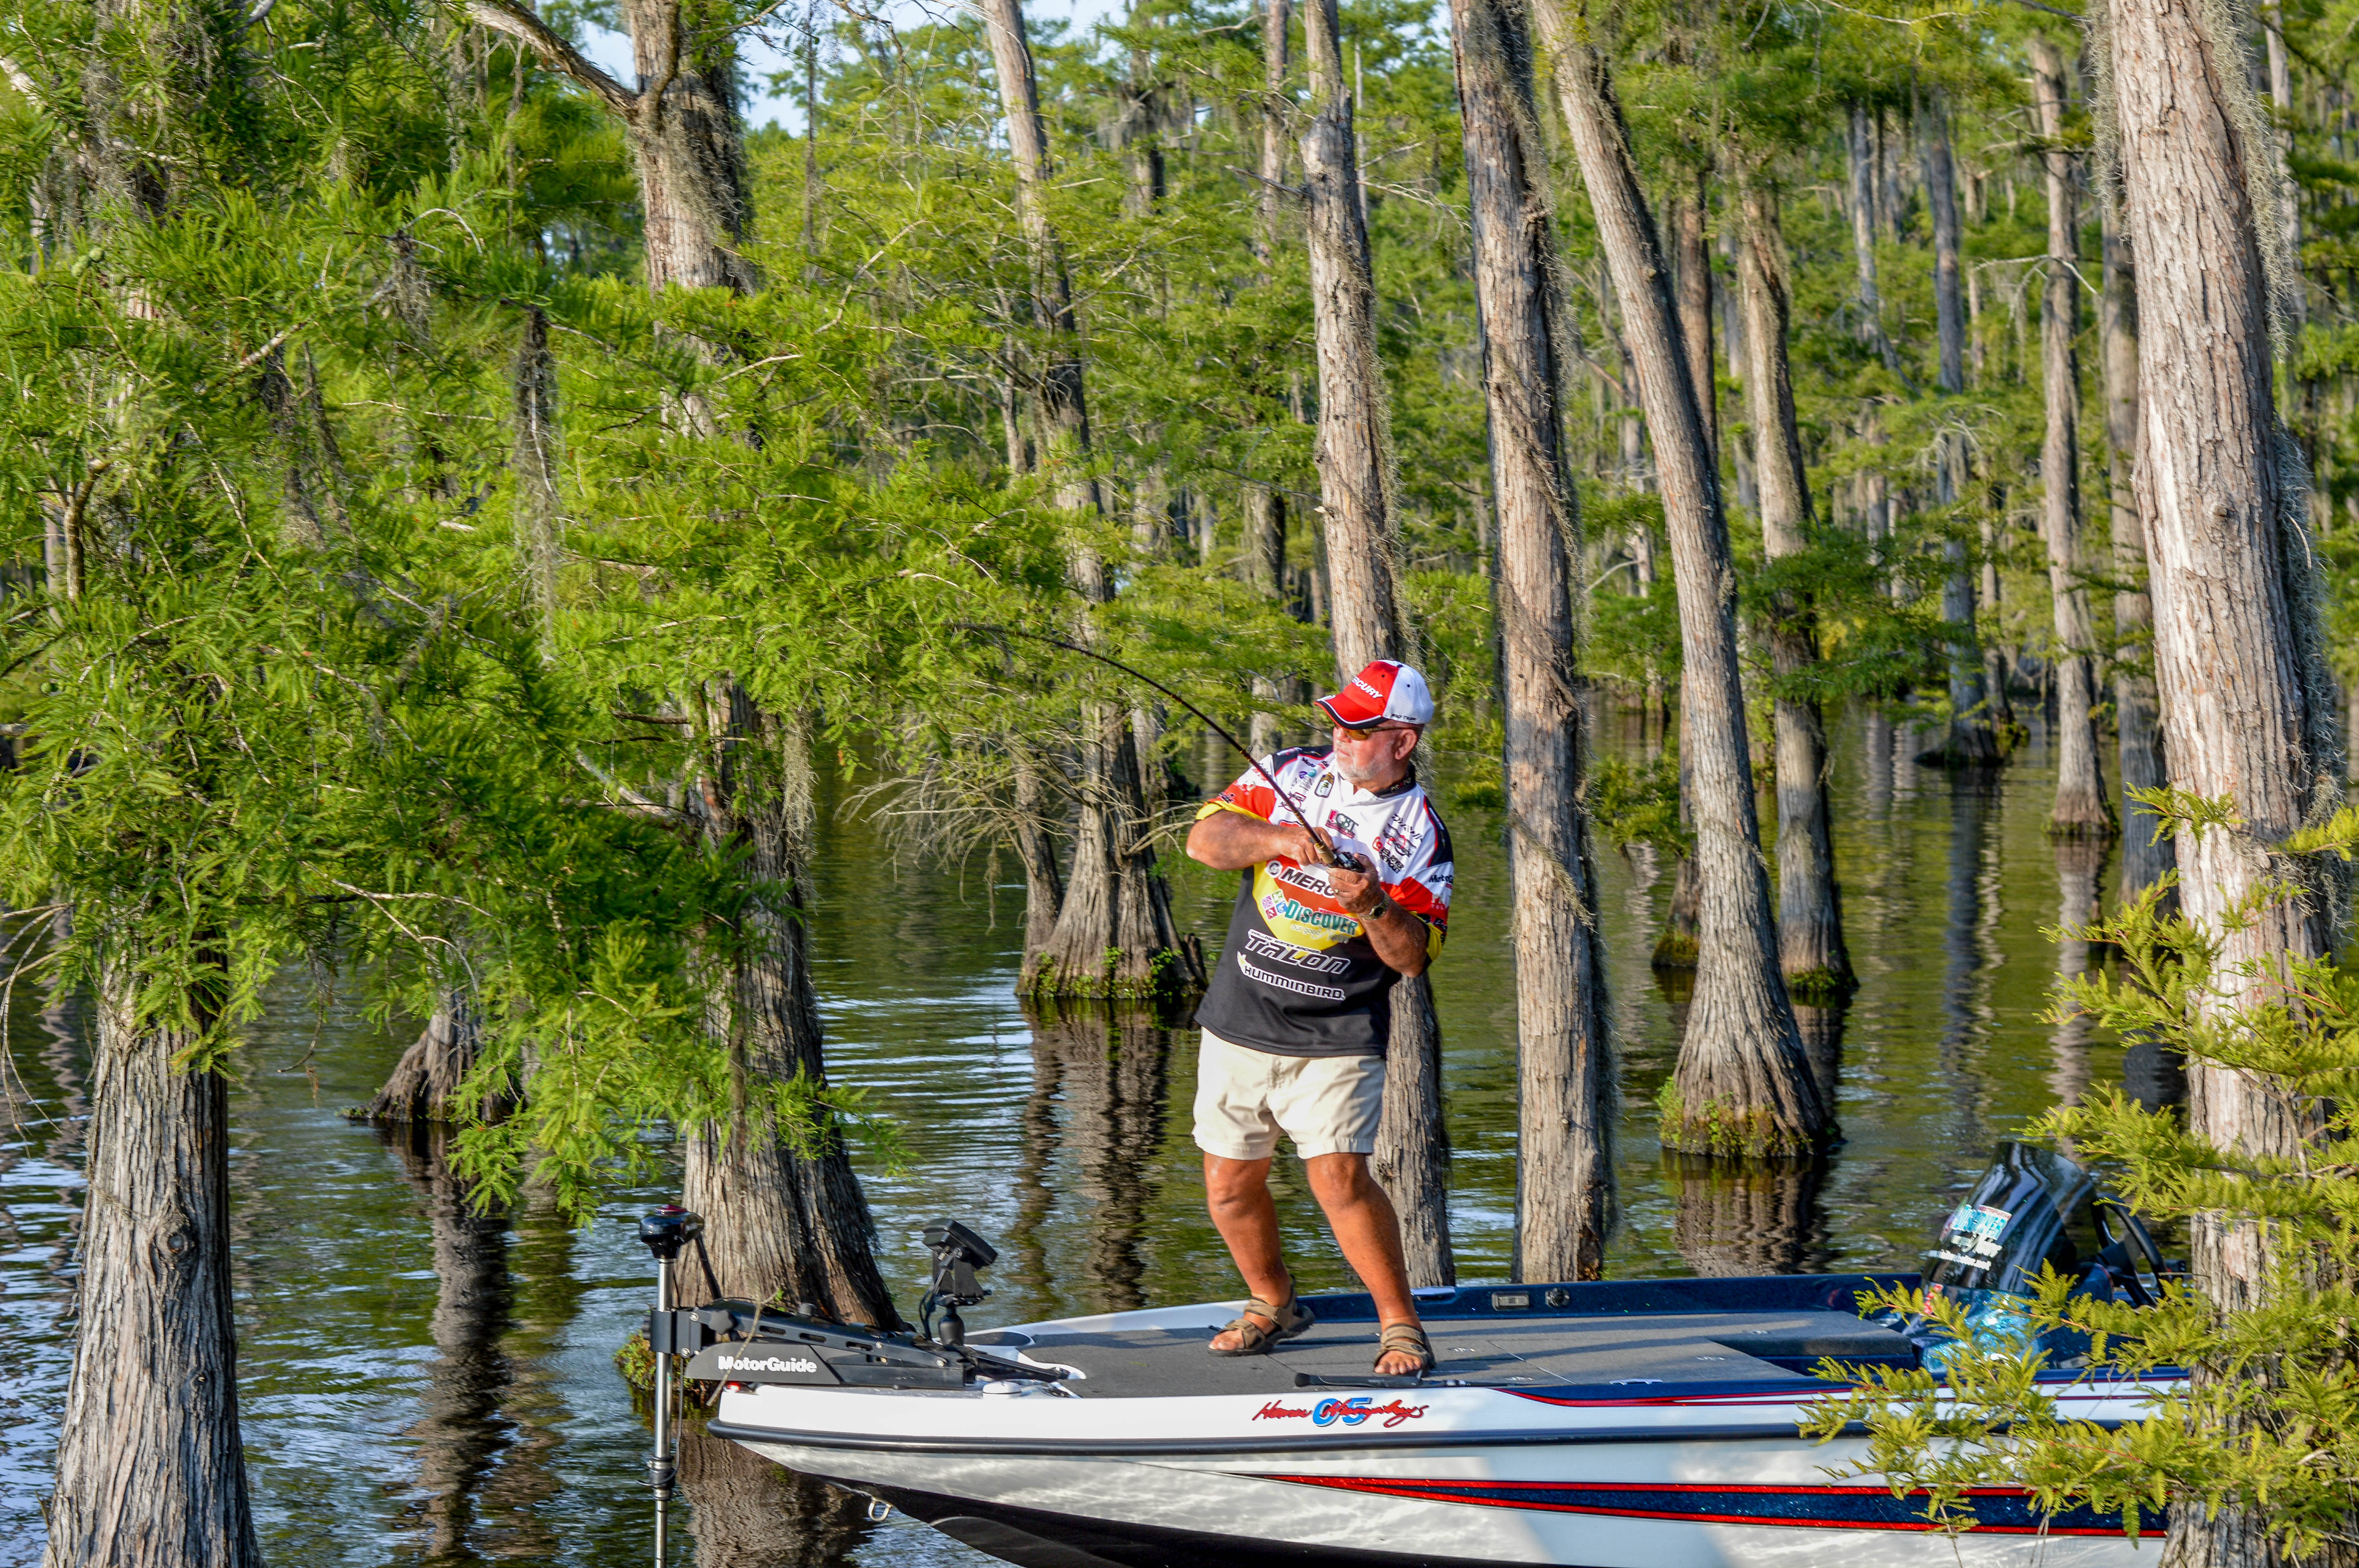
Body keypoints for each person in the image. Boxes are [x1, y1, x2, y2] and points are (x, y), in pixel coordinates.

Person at [1183, 658, 1453, 1377]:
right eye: (1337, 720)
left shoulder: (1419, 833)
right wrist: (1277, 840)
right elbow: (1204, 842)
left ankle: (1401, 1326)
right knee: (1227, 1184)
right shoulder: (1289, 775)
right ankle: (1272, 1303)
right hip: (1239, 1015)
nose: (1340, 736)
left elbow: (1412, 960)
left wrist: (1369, 903)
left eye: (1360, 728)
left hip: (1337, 1034)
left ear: (1403, 740)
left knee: (1338, 1180)